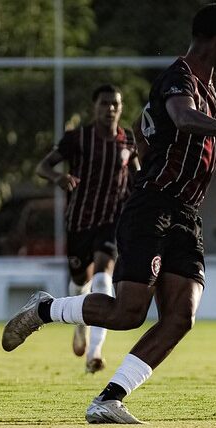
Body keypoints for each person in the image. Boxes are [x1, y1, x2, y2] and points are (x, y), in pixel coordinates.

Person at [2, 3, 216, 424]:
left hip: (184, 213)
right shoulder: (178, 78)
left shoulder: (210, 92)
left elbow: (147, 142)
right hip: (154, 207)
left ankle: (109, 398)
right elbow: (179, 117)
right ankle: (46, 309)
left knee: (181, 316)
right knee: (129, 314)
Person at [35, 84, 138, 374]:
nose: (110, 109)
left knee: (105, 276)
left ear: (121, 108)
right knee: (80, 282)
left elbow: (138, 174)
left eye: (115, 104)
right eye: (105, 104)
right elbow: (43, 166)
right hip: (80, 220)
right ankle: (80, 325)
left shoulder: (128, 140)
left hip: (112, 220)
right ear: (94, 107)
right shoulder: (78, 139)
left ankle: (95, 352)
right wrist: (58, 178)